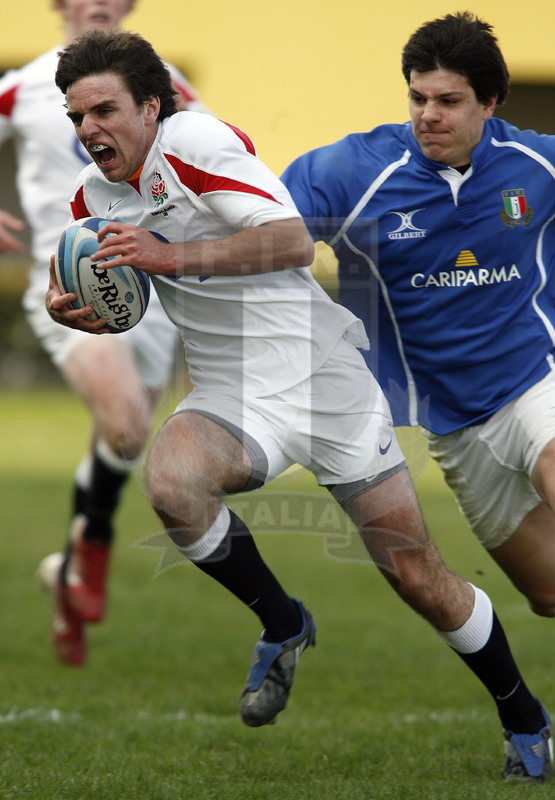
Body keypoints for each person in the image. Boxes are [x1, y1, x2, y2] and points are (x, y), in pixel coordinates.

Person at [46, 28, 552, 783]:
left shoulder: (196, 142)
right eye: (76, 117)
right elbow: (138, 292)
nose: (88, 130)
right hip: (231, 393)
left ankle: (523, 721)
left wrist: (168, 257)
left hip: (325, 384)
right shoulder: (93, 200)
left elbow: (287, 241)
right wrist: (85, 309)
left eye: (103, 111)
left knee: (417, 579)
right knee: (172, 484)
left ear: (150, 107)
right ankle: (283, 623)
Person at [282, 13, 555, 622]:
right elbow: (258, 229)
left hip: (541, 381)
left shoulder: (537, 165)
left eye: (449, 100)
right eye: (418, 96)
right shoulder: (354, 172)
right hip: (455, 425)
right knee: (547, 594)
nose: (429, 113)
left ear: (489, 103)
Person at [0, 0, 208, 667]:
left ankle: (70, 567)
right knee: (123, 424)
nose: (97, 3)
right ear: (58, 5)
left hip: (148, 286)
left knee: (125, 433)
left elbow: (212, 160)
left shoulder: (166, 86)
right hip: (66, 286)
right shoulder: (23, 87)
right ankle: (88, 557)